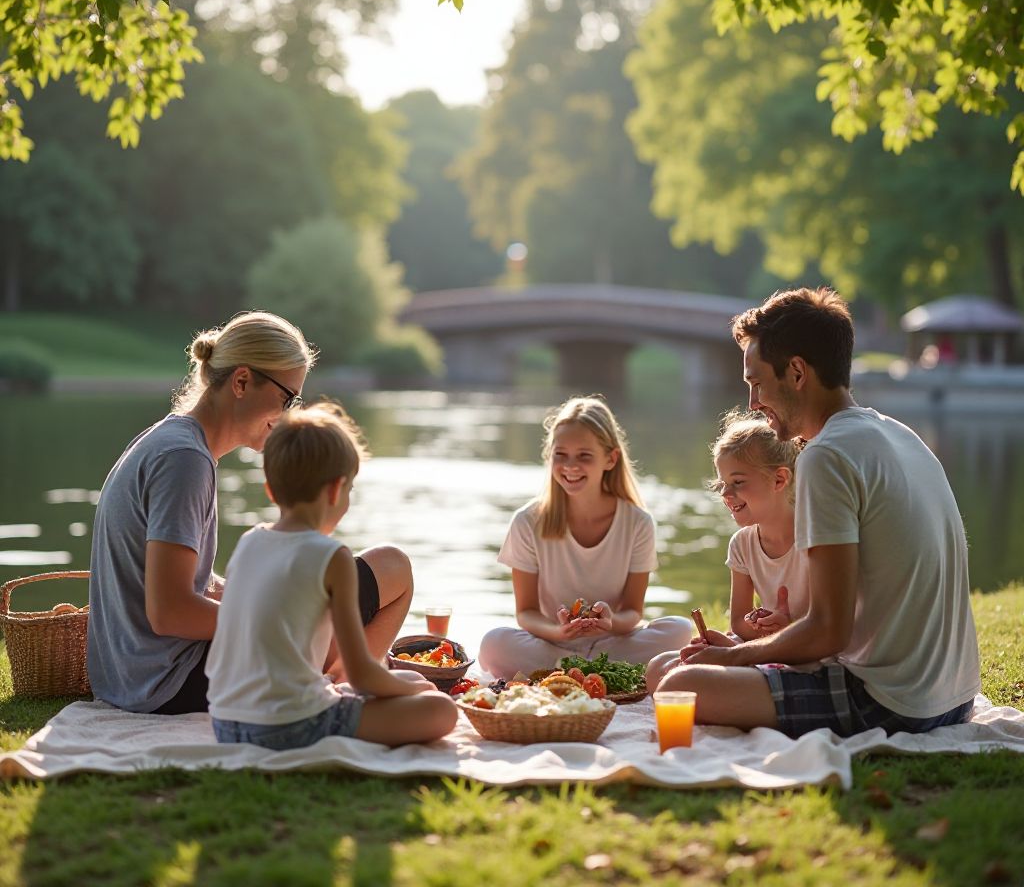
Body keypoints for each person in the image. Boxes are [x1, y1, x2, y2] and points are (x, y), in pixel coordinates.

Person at [653, 287, 981, 738]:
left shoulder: (826, 455)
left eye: (756, 382)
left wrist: (733, 656)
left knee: (680, 684)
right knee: (663, 673)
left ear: (797, 372)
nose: (752, 402)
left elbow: (828, 632)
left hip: (893, 702)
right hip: (954, 696)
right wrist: (749, 647)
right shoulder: (900, 434)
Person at [86, 310, 414, 715]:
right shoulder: (184, 460)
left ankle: (335, 683)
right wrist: (275, 622)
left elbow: (187, 583)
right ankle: (335, 693)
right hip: (168, 681)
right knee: (392, 568)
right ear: (241, 381)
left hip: (133, 676)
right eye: (286, 397)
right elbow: (169, 611)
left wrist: (256, 594)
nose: (291, 415)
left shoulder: (175, 442)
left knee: (326, 594)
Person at [206, 402, 457, 749]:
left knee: (410, 677)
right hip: (288, 726)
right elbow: (359, 673)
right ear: (337, 490)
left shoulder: (251, 542)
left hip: (226, 722)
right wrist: (413, 690)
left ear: (271, 490)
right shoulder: (331, 557)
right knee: (440, 708)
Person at [478, 396, 691, 680]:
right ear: (549, 456)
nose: (570, 466)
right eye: (561, 455)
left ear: (610, 459)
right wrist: (558, 630)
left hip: (611, 641)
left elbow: (632, 611)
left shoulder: (638, 522)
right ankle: (599, 671)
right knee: (494, 643)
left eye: (584, 456)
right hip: (551, 643)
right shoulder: (527, 521)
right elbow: (526, 613)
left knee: (680, 630)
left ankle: (573, 670)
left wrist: (610, 623)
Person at [646, 411, 808, 689]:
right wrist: (743, 634)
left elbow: (828, 629)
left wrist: (784, 627)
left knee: (681, 682)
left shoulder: (813, 539)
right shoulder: (742, 544)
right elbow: (739, 623)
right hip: (757, 650)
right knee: (658, 668)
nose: (725, 494)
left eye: (738, 482)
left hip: (802, 655)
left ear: (779, 480)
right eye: (722, 484)